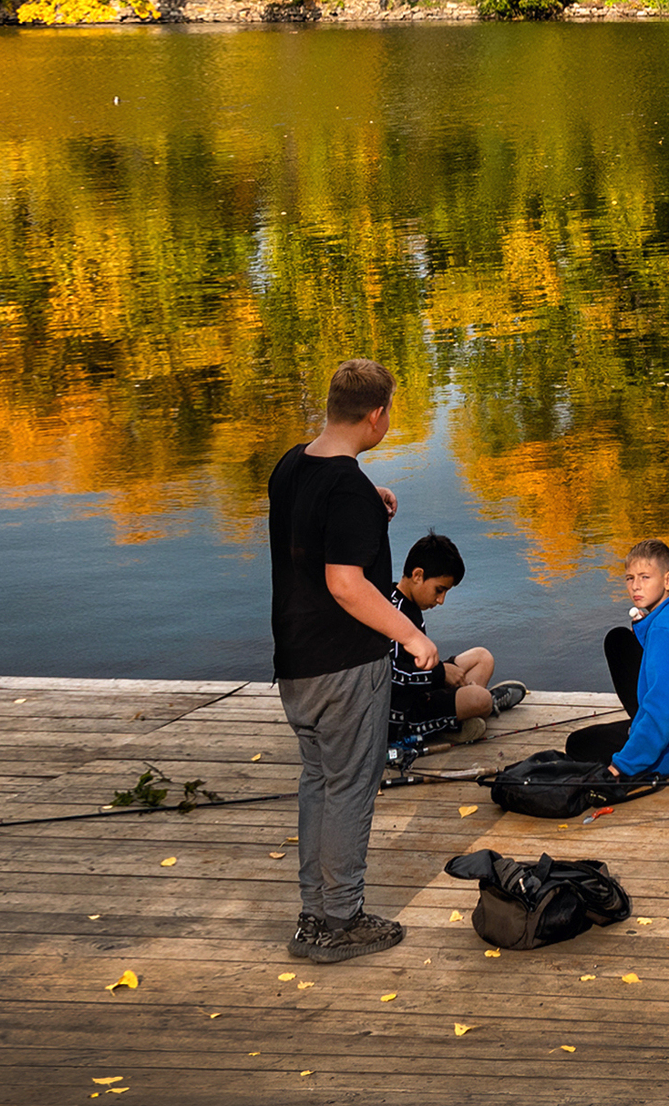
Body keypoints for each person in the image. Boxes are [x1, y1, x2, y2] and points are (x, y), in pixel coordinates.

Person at [266, 358, 429, 964]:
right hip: (344, 665)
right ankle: (341, 920)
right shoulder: (349, 490)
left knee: (318, 783)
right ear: (378, 415)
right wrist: (410, 636)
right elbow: (345, 584)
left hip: (296, 662)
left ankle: (314, 917)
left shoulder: (291, 466)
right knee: (352, 787)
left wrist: (370, 504)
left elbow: (312, 529)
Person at [559, 539, 669, 778]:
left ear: (668, 580)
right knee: (619, 641)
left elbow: (662, 707)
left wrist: (622, 766)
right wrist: (646, 630)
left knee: (579, 743)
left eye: (645, 577)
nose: (635, 586)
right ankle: (642, 734)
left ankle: (644, 743)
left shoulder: (662, 631)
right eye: (629, 578)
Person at [387, 530, 527, 757]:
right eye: (439, 590)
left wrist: (441, 673)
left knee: (482, 658)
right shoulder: (390, 612)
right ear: (418, 575)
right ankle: (483, 706)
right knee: (479, 699)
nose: (441, 601)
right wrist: (440, 674)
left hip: (423, 685)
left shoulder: (408, 602)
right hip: (403, 712)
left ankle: (464, 719)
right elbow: (389, 675)